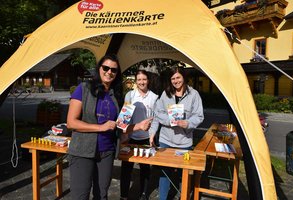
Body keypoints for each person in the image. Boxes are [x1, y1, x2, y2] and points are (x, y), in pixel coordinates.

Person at [67, 55, 150, 200]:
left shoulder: (115, 96)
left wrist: (138, 126)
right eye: (106, 68)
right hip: (82, 151)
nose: (109, 72)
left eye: (114, 70)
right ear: (99, 68)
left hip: (106, 152)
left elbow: (119, 126)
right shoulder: (84, 88)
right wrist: (101, 127)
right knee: (80, 196)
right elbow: (71, 123)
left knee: (102, 195)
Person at [149, 66, 204, 200]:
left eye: (178, 77)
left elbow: (199, 116)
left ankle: (183, 196)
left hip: (184, 142)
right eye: (173, 78)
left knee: (183, 174)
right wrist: (168, 122)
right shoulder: (165, 93)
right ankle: (163, 198)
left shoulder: (194, 94)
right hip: (165, 140)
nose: (175, 81)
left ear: (184, 77)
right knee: (164, 173)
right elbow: (158, 114)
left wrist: (188, 123)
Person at [120, 70, 158, 200]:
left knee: (145, 170)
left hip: (146, 138)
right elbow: (125, 118)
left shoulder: (154, 97)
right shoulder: (130, 95)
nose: (141, 82)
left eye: (144, 79)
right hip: (130, 137)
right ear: (136, 81)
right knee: (126, 169)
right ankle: (123, 196)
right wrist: (124, 135)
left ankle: (143, 195)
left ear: (148, 81)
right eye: (139, 79)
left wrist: (152, 136)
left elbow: (155, 119)